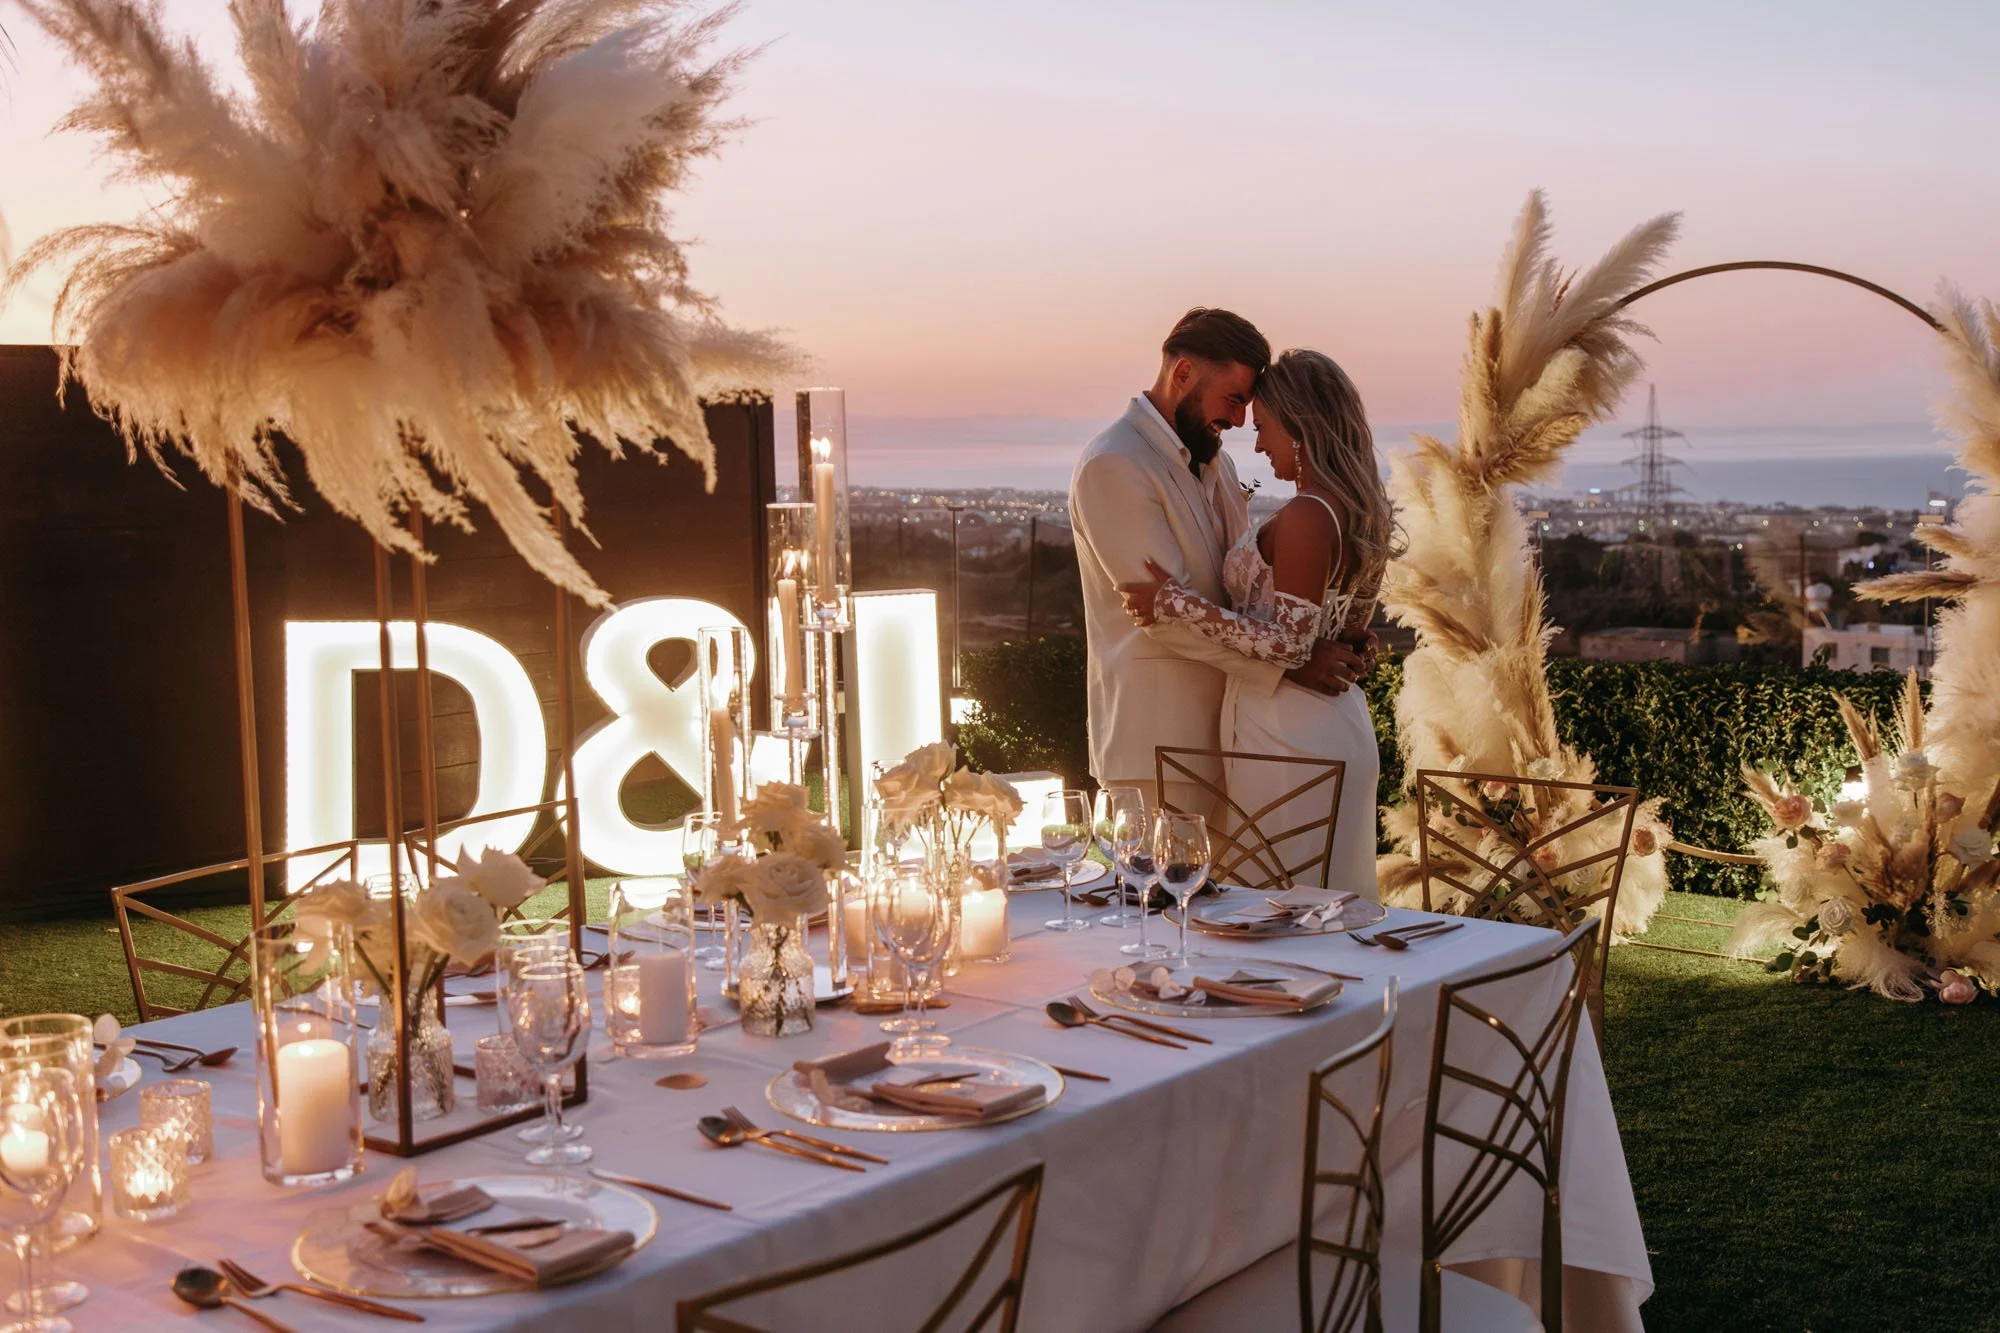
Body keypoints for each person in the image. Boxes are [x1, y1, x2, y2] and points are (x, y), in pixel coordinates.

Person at [1069, 310, 1368, 827]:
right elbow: (1160, 613)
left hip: (1245, 734)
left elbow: (1243, 590)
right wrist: (1296, 662)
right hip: (1160, 744)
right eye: (1233, 399)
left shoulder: (1217, 463)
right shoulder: (1114, 464)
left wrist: (1328, 631)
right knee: (1162, 902)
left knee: (1244, 906)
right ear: (1182, 374)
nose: (1238, 419)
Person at [1115, 348, 1390, 898]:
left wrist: (1176, 604)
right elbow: (1343, 632)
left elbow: (1290, 646)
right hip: (1329, 722)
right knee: (1321, 900)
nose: (1259, 444)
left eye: (1265, 428)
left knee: (1281, 901)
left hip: (1287, 733)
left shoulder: (1312, 513)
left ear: (1302, 428)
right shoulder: (1361, 510)